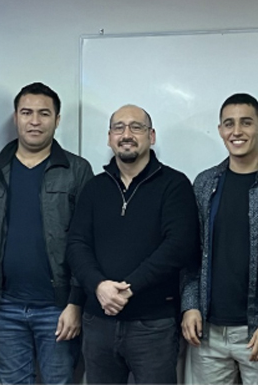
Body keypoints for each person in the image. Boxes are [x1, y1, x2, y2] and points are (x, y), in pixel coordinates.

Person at [67, 104, 199, 384]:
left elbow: (179, 246)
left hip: (153, 325)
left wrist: (129, 288)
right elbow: (77, 244)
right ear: (109, 138)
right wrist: (99, 286)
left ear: (151, 136)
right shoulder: (94, 188)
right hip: (98, 321)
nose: (126, 134)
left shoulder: (175, 185)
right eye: (119, 128)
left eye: (136, 127)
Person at [181, 94, 258, 384]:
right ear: (220, 130)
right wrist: (190, 305)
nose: (237, 131)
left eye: (246, 122)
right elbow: (191, 254)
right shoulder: (204, 183)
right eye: (229, 124)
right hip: (207, 331)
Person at [0, 82, 92, 384]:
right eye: (26, 112)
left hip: (58, 308)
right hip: (4, 307)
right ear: (15, 117)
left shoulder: (77, 170)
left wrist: (75, 302)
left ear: (57, 119)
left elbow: (87, 241)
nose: (34, 121)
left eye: (44, 113)